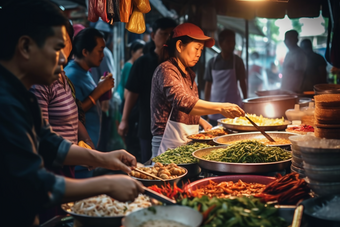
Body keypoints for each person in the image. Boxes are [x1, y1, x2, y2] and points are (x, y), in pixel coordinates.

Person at [0, 1, 143, 226]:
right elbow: (33, 183)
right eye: (58, 48)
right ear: (26, 47)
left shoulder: (21, 95)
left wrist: (106, 159)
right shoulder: (5, 102)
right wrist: (107, 185)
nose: (63, 59)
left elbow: (51, 143)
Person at [151, 23, 245, 157]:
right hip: (166, 147)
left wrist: (200, 120)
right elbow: (182, 101)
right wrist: (221, 107)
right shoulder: (166, 70)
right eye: (196, 48)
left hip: (186, 143)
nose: (199, 54)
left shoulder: (189, 74)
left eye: (201, 50)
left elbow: (187, 107)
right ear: (179, 46)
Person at [118, 18, 178, 163]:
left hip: (175, 126)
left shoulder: (178, 62)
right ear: (153, 36)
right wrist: (124, 120)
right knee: (150, 165)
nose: (168, 38)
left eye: (171, 34)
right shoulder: (143, 62)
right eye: (163, 34)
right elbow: (132, 93)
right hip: (147, 125)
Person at [204, 29, 247, 126]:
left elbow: (243, 83)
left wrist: (246, 102)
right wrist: (206, 109)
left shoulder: (238, 61)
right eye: (228, 41)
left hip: (234, 108)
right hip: (215, 109)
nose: (231, 45)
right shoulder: (212, 62)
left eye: (233, 41)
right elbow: (208, 85)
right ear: (220, 43)